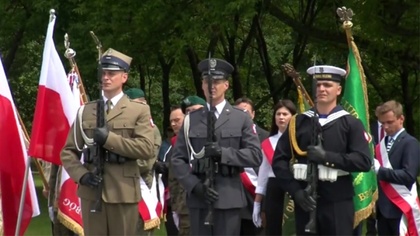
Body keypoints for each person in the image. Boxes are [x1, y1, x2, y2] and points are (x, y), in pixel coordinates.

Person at [60, 48, 155, 235]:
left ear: (124, 77)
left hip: (123, 191)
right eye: (103, 73)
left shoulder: (138, 110)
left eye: (111, 73)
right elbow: (68, 152)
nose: (106, 78)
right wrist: (81, 175)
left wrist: (109, 139)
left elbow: (146, 149)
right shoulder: (85, 111)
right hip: (91, 191)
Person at [272, 65, 371, 235]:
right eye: (318, 85)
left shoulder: (350, 124)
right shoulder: (299, 122)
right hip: (305, 198)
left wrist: (327, 157)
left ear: (338, 90)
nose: (321, 89)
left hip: (337, 201)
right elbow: (279, 161)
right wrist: (296, 191)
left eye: (327, 85)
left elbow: (363, 161)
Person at [171, 58, 262, 235]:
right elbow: (178, 159)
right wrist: (194, 186)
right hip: (199, 196)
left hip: (228, 196)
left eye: (217, 81)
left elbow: (255, 155)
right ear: (202, 85)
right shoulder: (191, 119)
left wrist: (224, 153)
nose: (212, 86)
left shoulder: (240, 118)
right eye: (207, 81)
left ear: (226, 85)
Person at [373, 100, 420, 235]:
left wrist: (380, 171)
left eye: (389, 122)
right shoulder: (381, 144)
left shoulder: (410, 143)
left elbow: (409, 176)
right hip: (382, 209)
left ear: (401, 119)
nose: (385, 127)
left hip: (400, 207)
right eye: (382, 123)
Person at [253, 100, 296, 235]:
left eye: (285, 114)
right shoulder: (268, 143)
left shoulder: (300, 141)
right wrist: (257, 203)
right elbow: (263, 174)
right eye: (278, 114)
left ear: (293, 116)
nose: (281, 117)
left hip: (295, 188)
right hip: (275, 189)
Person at [234, 97, 269, 236]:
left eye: (246, 112)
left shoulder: (266, 136)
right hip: (237, 197)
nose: (243, 115)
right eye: (239, 112)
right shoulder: (230, 136)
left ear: (253, 114)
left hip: (258, 196)